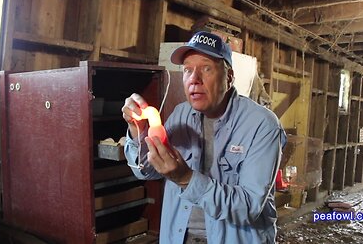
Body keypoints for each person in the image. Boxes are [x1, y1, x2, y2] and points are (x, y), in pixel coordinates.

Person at [122, 31, 286, 244]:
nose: (194, 80)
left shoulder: (262, 125)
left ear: (229, 77)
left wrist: (185, 178)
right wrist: (139, 130)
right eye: (188, 70)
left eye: (206, 68)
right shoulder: (181, 114)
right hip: (181, 237)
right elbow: (148, 171)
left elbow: (248, 207)